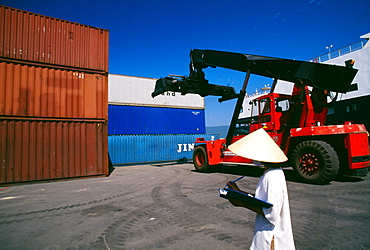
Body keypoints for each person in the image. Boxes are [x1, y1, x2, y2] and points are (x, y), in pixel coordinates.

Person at [226, 128, 295, 250]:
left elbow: (271, 213)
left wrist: (242, 203)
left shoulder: (273, 176)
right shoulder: (270, 172)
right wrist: (239, 192)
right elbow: (263, 200)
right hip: (265, 233)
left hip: (271, 238)